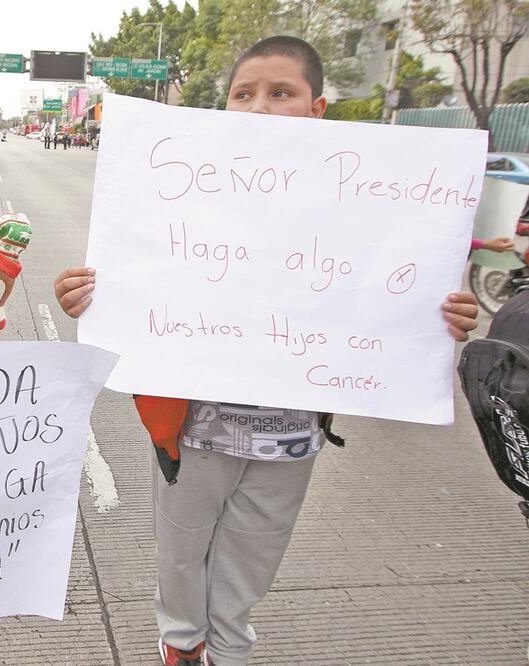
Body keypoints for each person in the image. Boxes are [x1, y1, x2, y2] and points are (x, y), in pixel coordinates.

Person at [54, 36, 481, 666]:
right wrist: (86, 295)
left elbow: (394, 288)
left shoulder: (362, 198)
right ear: (224, 106)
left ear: (318, 109)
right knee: (179, 556)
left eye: (281, 93)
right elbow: (134, 279)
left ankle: (229, 651)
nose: (259, 108)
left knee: (250, 563)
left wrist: (444, 315)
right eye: (243, 93)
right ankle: (181, 647)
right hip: (192, 432)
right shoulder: (182, 188)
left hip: (289, 440)